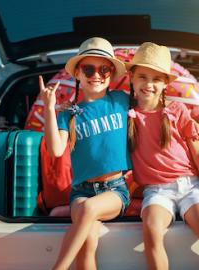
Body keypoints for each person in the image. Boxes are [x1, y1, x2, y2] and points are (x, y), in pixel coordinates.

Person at [127, 42, 199, 270]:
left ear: (165, 84)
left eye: (156, 79)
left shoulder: (177, 111)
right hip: (156, 190)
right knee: (152, 231)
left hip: (190, 186)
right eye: (142, 76)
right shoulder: (126, 116)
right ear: (131, 77)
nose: (149, 84)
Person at [40, 37, 131, 270]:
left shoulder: (121, 101)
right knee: (87, 240)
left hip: (114, 189)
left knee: (89, 210)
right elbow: (56, 149)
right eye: (89, 69)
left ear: (111, 74)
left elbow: (152, 105)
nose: (97, 75)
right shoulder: (69, 114)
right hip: (81, 191)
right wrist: (49, 109)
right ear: (77, 74)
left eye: (104, 69)